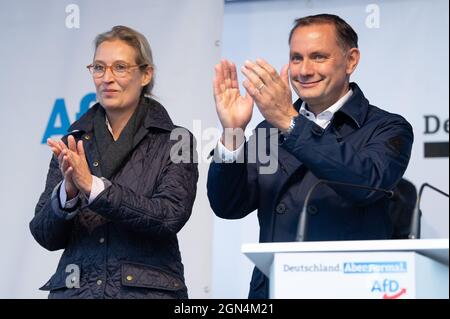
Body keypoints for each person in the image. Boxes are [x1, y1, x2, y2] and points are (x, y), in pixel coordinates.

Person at [207, 14, 414, 298]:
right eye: (296, 58)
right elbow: (228, 206)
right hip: (275, 290)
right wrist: (232, 133)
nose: (304, 70)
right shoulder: (268, 129)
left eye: (318, 57)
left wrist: (291, 123)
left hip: (353, 289)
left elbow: (367, 182)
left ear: (351, 60)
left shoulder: (387, 127)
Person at [30, 26, 198, 299]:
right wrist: (68, 194)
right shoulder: (73, 140)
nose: (107, 78)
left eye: (120, 67)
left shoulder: (177, 140)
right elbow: (44, 234)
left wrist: (94, 188)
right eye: (99, 67)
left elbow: (169, 215)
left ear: (146, 74)